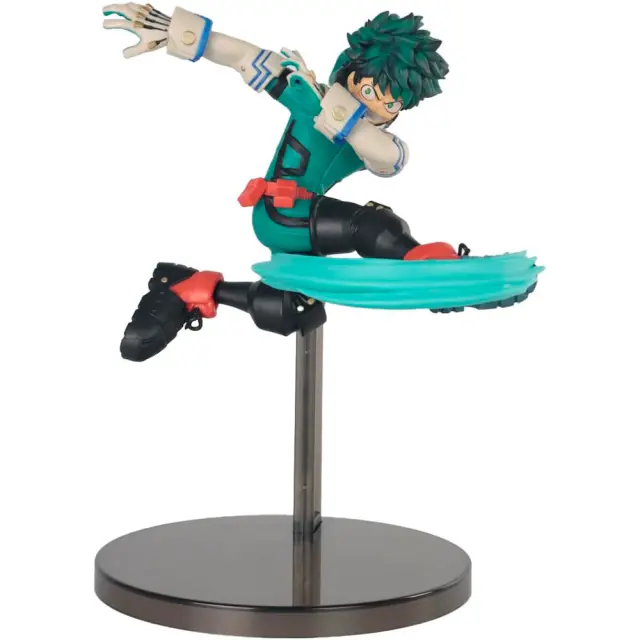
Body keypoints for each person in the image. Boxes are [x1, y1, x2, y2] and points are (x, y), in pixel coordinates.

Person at [103, 4, 463, 361]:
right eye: (369, 91)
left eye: (392, 103)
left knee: (288, 307)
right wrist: (175, 30)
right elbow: (245, 57)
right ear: (348, 71)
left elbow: (389, 158)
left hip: (303, 222)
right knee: (373, 223)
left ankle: (192, 288)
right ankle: (421, 266)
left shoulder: (365, 136)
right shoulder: (309, 97)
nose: (377, 106)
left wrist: (340, 116)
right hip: (283, 212)